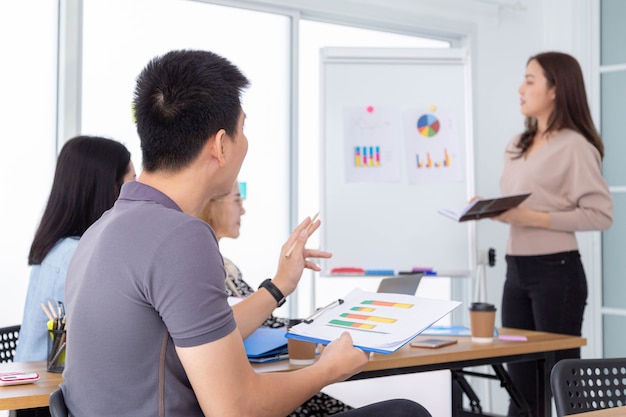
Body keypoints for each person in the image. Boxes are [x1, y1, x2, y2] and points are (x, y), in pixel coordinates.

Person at [62, 49, 431, 417]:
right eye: (243, 129)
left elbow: (202, 335)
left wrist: (279, 285)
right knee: (405, 412)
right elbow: (237, 410)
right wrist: (327, 370)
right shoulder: (180, 236)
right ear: (221, 145)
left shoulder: (104, 229)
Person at [494, 51, 613, 416]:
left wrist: (534, 217)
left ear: (555, 90)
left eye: (530, 80)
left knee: (561, 380)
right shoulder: (517, 144)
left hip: (556, 273)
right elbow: (520, 205)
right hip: (516, 272)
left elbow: (601, 215)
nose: (521, 88)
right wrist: (495, 210)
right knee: (520, 382)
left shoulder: (576, 146)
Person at [199, 181, 353, 416]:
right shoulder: (200, 272)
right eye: (237, 200)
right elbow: (234, 327)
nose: (243, 209)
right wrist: (281, 284)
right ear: (210, 204)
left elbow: (267, 323)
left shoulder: (228, 267)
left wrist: (323, 322)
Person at [15, 135, 135, 363]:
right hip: (49, 390)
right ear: (109, 189)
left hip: (37, 381)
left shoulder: (58, 246)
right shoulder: (77, 254)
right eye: (133, 182)